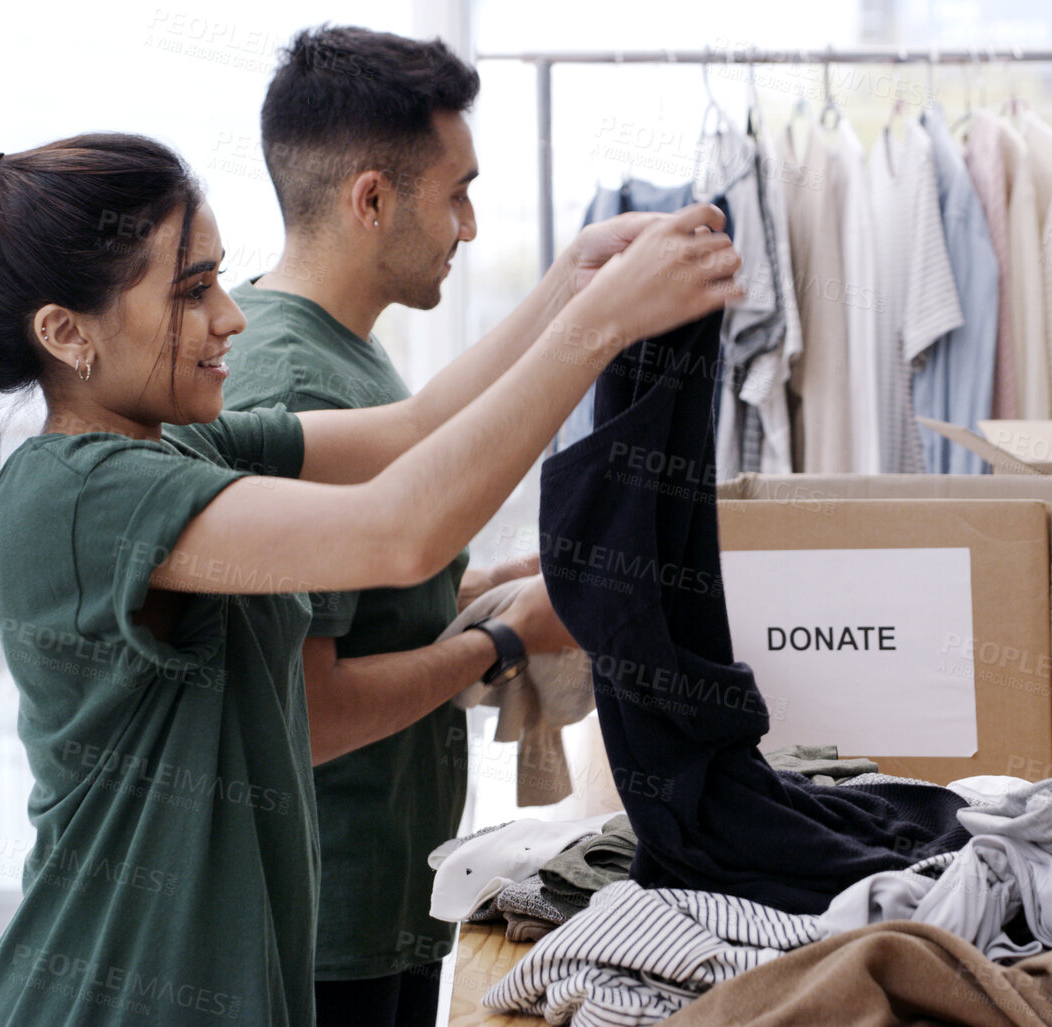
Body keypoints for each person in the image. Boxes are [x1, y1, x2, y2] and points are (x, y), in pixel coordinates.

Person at [0, 131, 739, 1026]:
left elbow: (410, 430)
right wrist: (598, 325)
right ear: (66, 333)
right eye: (193, 290)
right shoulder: (80, 496)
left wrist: (571, 282)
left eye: (219, 277)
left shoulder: (179, 443)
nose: (231, 314)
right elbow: (398, 533)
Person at [220, 28, 626, 1025]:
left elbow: (355, 608)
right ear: (369, 199)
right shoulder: (294, 377)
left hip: (379, 904)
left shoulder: (347, 362)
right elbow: (309, 713)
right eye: (457, 192)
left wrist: (477, 592)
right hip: (328, 929)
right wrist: (501, 639)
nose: (471, 224)